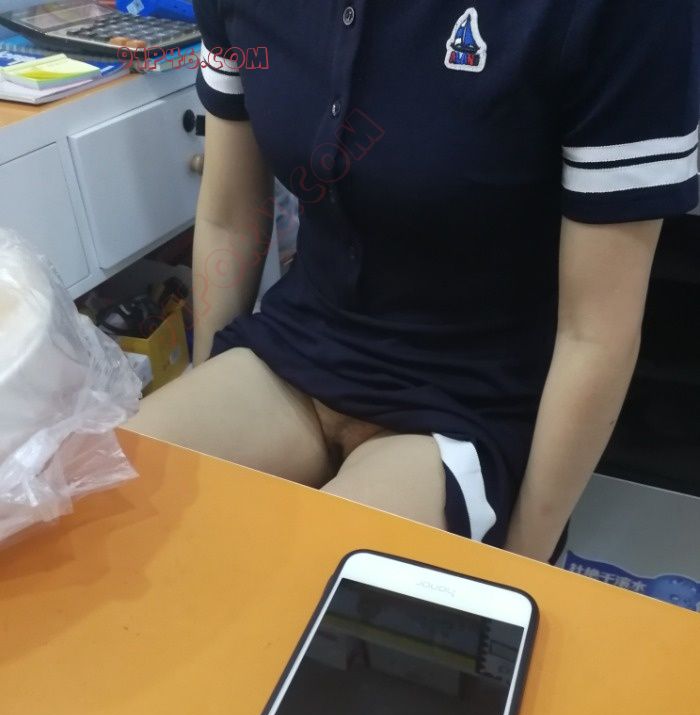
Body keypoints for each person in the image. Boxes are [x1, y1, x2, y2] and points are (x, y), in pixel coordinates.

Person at [127, 0, 699, 564]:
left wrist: (522, 564)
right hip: (298, 345)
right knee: (111, 496)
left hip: (476, 398)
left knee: (309, 588)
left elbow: (596, 333)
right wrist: (209, 373)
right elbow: (230, 217)